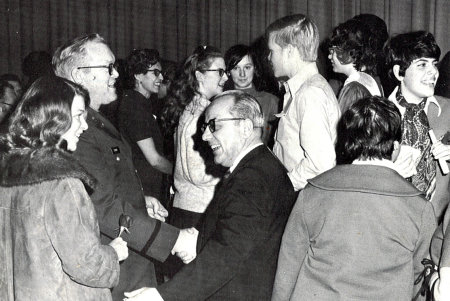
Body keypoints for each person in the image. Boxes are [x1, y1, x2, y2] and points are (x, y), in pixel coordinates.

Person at [52, 33, 198, 300]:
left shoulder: (93, 120)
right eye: (108, 67)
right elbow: (101, 205)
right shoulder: (77, 130)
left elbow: (102, 182)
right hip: (115, 257)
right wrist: (175, 240)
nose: (116, 74)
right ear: (80, 75)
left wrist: (142, 198)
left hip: (130, 249)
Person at [124, 90, 296, 301]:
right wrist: (195, 239)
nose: (205, 136)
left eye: (214, 125)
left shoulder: (252, 178)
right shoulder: (259, 166)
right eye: (206, 127)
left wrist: (163, 296)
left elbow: (227, 254)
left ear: (245, 127)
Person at [272, 96, 437, 300]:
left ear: (347, 144)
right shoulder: (419, 208)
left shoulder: (312, 193)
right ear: (395, 149)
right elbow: (418, 280)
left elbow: (287, 273)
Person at [0, 75, 129, 300]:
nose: (85, 125)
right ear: (54, 118)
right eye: (79, 116)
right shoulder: (62, 184)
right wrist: (114, 253)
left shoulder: (8, 174)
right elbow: (87, 264)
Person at [266, 14, 340, 192]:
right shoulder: (301, 89)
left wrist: (282, 188)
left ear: (289, 51)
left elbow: (320, 164)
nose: (269, 58)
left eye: (272, 51)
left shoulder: (310, 94)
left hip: (302, 198)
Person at [384, 31, 450, 220]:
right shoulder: (377, 115)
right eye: (422, 64)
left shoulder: (448, 110)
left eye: (434, 64)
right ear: (399, 72)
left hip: (438, 229)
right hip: (393, 222)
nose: (433, 72)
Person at [118, 49, 172, 206]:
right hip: (144, 189)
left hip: (150, 185)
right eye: (155, 72)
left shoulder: (143, 104)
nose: (161, 78)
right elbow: (154, 159)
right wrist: (179, 173)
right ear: (138, 75)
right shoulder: (134, 107)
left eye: (161, 73)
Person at [224, 44, 280, 146]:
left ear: (255, 68)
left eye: (247, 67)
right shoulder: (222, 102)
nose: (242, 74)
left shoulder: (271, 101)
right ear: (228, 72)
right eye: (236, 68)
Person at [328, 18, 382, 113]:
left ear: (347, 53)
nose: (329, 56)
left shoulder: (353, 89)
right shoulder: (368, 79)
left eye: (333, 51)